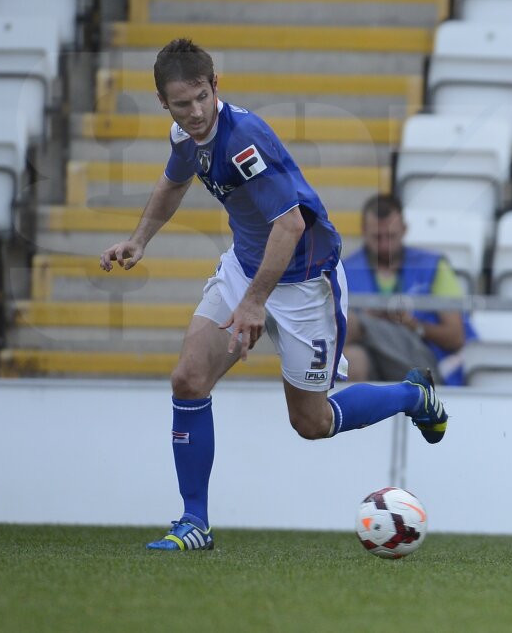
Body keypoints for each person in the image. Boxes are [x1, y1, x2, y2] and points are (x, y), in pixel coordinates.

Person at [99, 39, 448, 552]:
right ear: (164, 103)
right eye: (182, 103)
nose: (194, 112)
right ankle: (194, 522)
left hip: (305, 284)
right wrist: (139, 239)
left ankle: (414, 395)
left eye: (201, 98)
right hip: (246, 269)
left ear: (215, 86)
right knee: (189, 379)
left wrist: (255, 302)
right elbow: (174, 181)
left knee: (313, 422)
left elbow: (288, 225)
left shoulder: (244, 141)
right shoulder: (186, 135)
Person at [343, 194, 475, 386]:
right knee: (352, 360)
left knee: (351, 322)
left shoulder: (433, 266)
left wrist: (411, 323)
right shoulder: (345, 269)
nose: (384, 245)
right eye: (377, 237)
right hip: (372, 359)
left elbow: (456, 337)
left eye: (391, 236)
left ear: (404, 230)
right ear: (363, 231)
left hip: (422, 364)